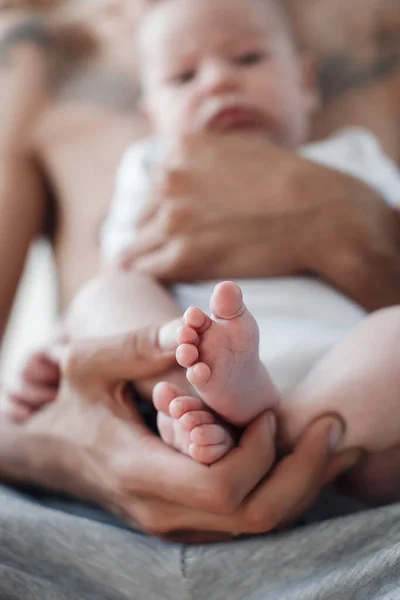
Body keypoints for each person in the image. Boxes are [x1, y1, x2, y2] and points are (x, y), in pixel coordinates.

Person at [0, 0, 399, 597]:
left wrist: (360, 231)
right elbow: (107, 301)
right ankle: (206, 402)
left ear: (306, 80)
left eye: (248, 58)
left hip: (350, 479)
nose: (219, 79)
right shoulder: (44, 61)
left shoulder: (359, 143)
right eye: (184, 77)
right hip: (107, 501)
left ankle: (269, 437)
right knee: (113, 293)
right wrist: (57, 375)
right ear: (149, 109)